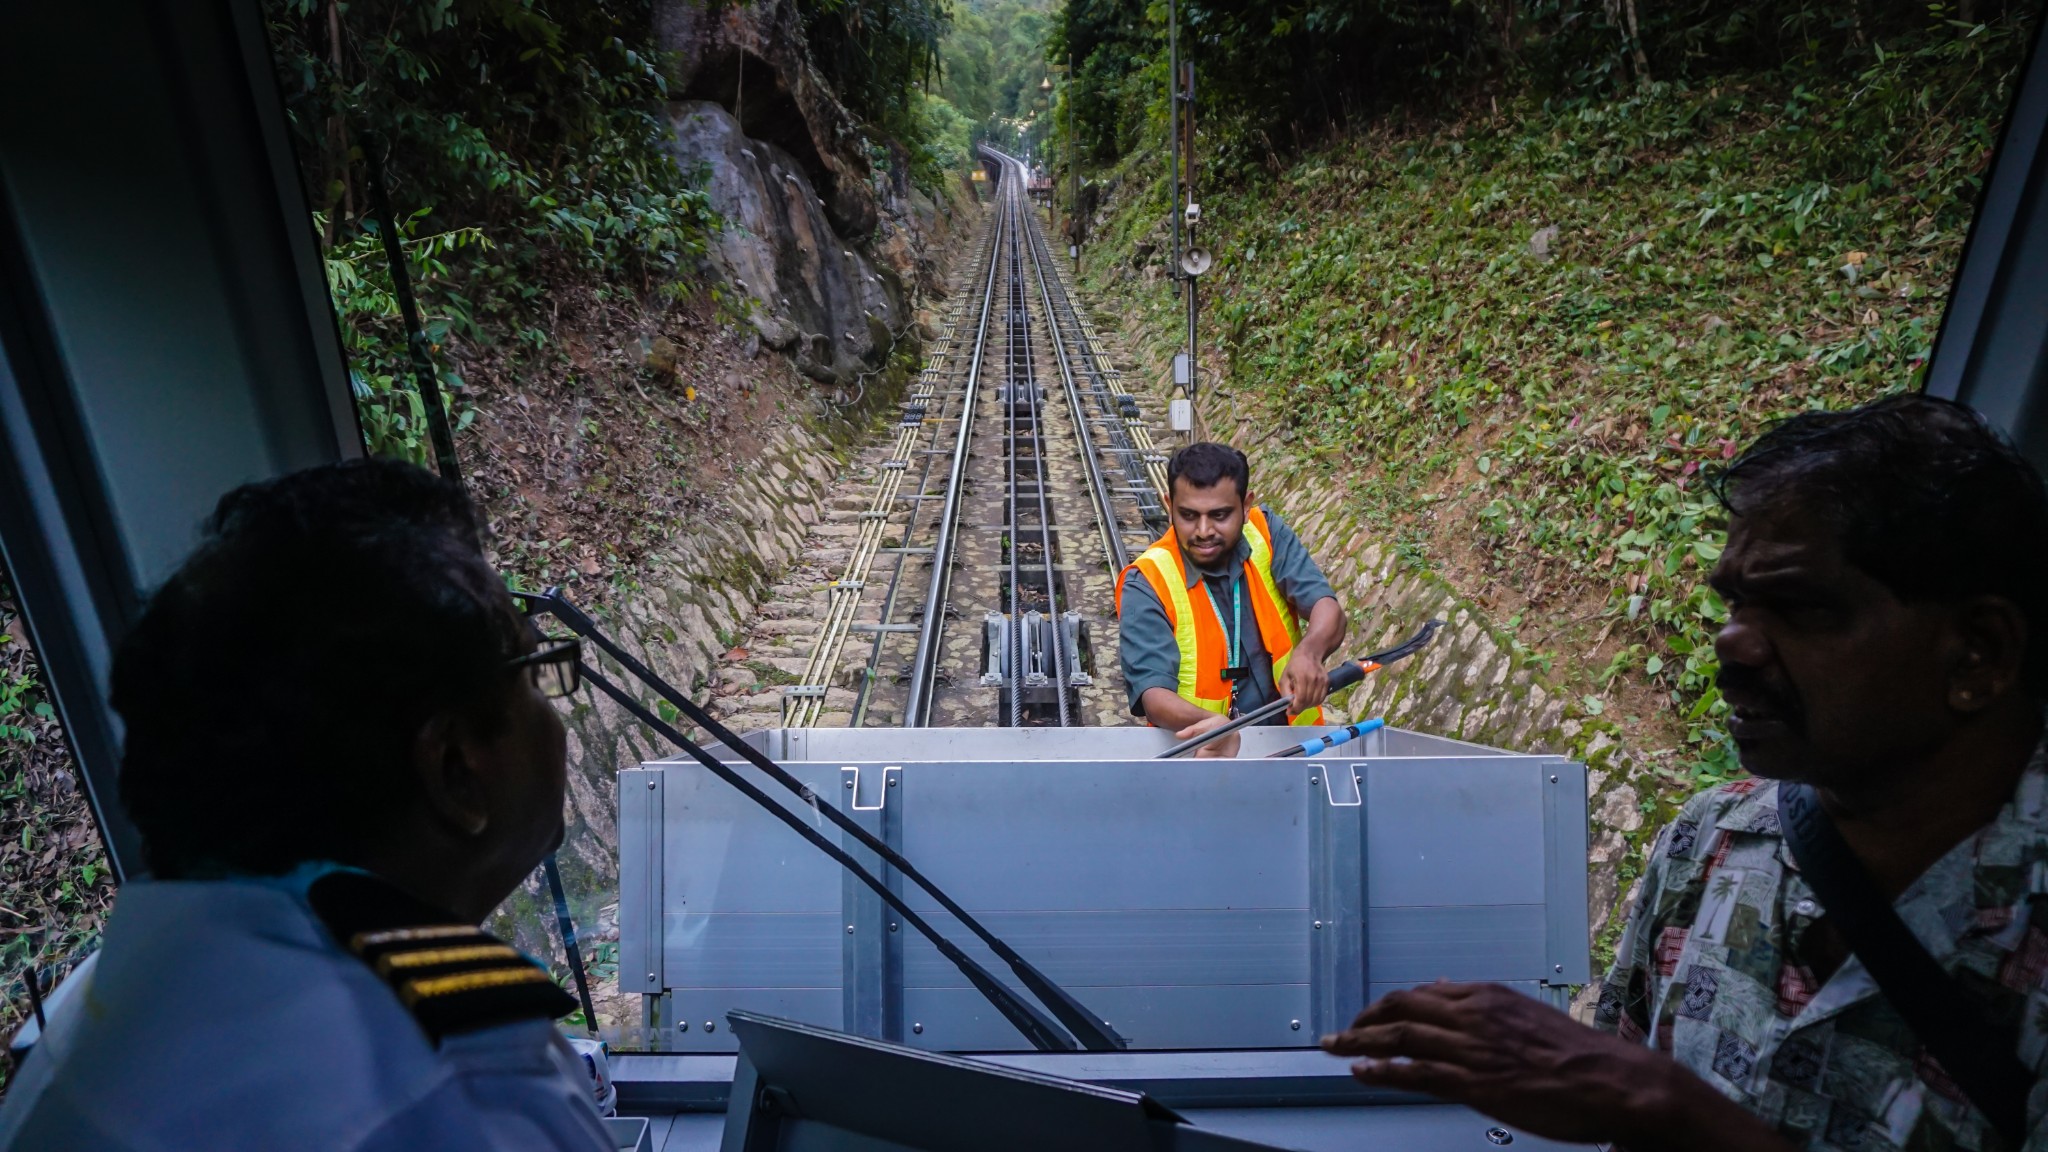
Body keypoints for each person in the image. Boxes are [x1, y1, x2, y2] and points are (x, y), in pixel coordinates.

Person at [1321, 393, 2048, 1150]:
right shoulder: (1714, 840)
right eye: (1735, 604)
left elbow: (1634, 1095)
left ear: (1979, 652)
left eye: (1798, 607)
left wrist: (1674, 1109)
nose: (1733, 644)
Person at [0, 459, 612, 1151]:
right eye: (534, 672)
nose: (555, 714)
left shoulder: (95, 1017)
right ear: (455, 768)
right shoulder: (461, 1104)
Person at [1116, 442, 1346, 757]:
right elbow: (1153, 695)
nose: (1203, 530)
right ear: (1169, 504)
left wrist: (1310, 651)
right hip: (1203, 758)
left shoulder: (1266, 534)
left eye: (1220, 515)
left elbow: (1326, 607)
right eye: (1188, 515)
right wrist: (1216, 727)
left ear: (1246, 505)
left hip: (1293, 751)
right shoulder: (1148, 580)